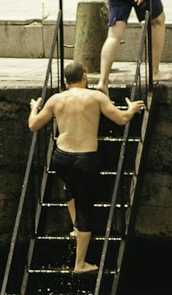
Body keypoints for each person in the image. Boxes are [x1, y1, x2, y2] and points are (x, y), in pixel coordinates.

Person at [28, 62, 144, 274]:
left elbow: (33, 125)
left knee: (70, 187)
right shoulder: (95, 97)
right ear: (84, 77)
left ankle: (75, 229)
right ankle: (80, 263)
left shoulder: (55, 99)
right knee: (84, 207)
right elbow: (121, 119)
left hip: (61, 158)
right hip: (85, 159)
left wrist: (34, 107)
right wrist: (132, 109)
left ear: (65, 81)